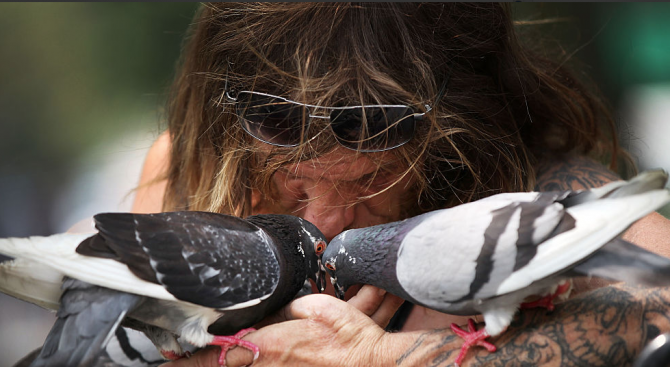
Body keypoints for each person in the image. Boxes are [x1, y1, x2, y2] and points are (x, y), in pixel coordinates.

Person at [123, 3, 670, 367]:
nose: (324, 225)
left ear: (453, 140)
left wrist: (380, 358)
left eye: (373, 180)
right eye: (292, 181)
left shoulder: (529, 196)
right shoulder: (189, 172)